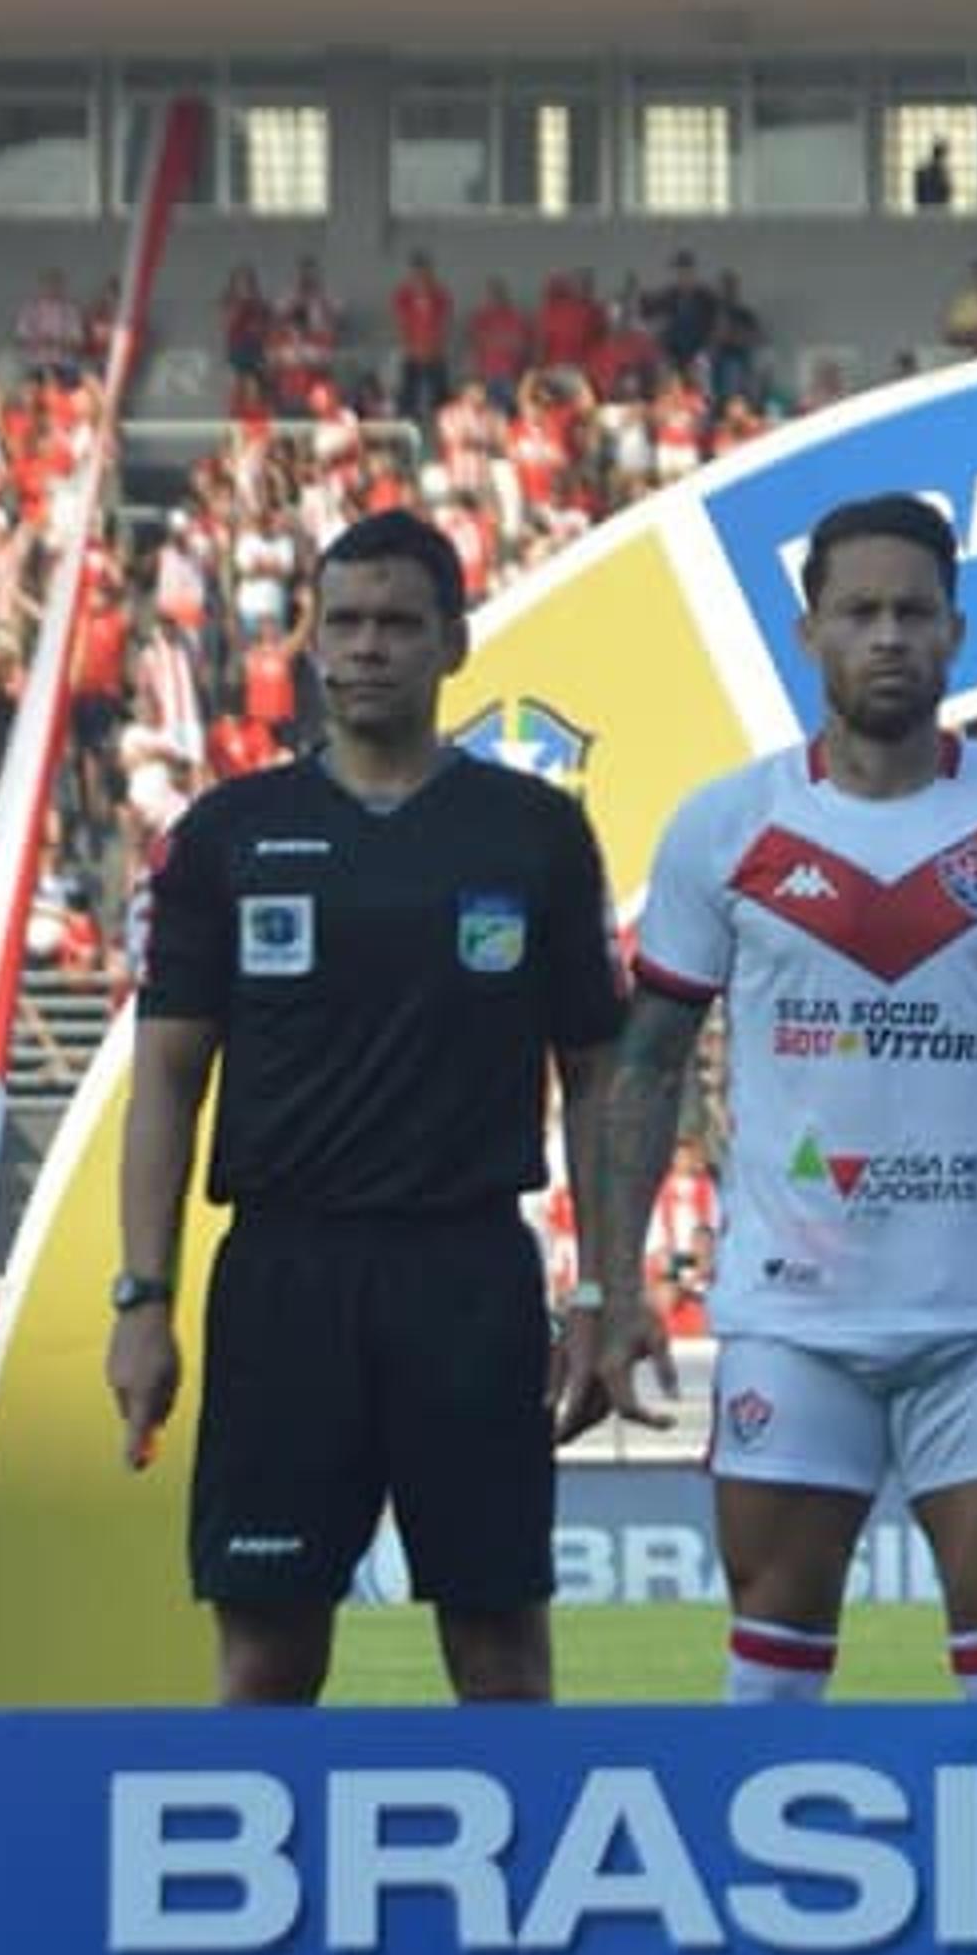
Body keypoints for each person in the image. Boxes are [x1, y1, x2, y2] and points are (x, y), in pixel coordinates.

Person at [565, 493, 977, 1707]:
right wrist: (617, 1277)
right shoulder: (727, 825)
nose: (888, 635)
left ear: (956, 631)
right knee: (772, 1682)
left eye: (914, 611)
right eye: (860, 611)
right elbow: (646, 1061)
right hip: (794, 1322)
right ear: (810, 634)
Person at [106, 510, 624, 1708]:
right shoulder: (225, 836)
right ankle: (257, 1897)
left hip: (470, 1274)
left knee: (501, 1655)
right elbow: (168, 1077)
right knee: (265, 1655)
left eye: (398, 622)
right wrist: (143, 1295)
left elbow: (598, 1075)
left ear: (455, 641)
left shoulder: (534, 831)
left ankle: (512, 1897)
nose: (367, 647)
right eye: (344, 621)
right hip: (285, 1272)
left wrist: (603, 1289)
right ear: (313, 641)